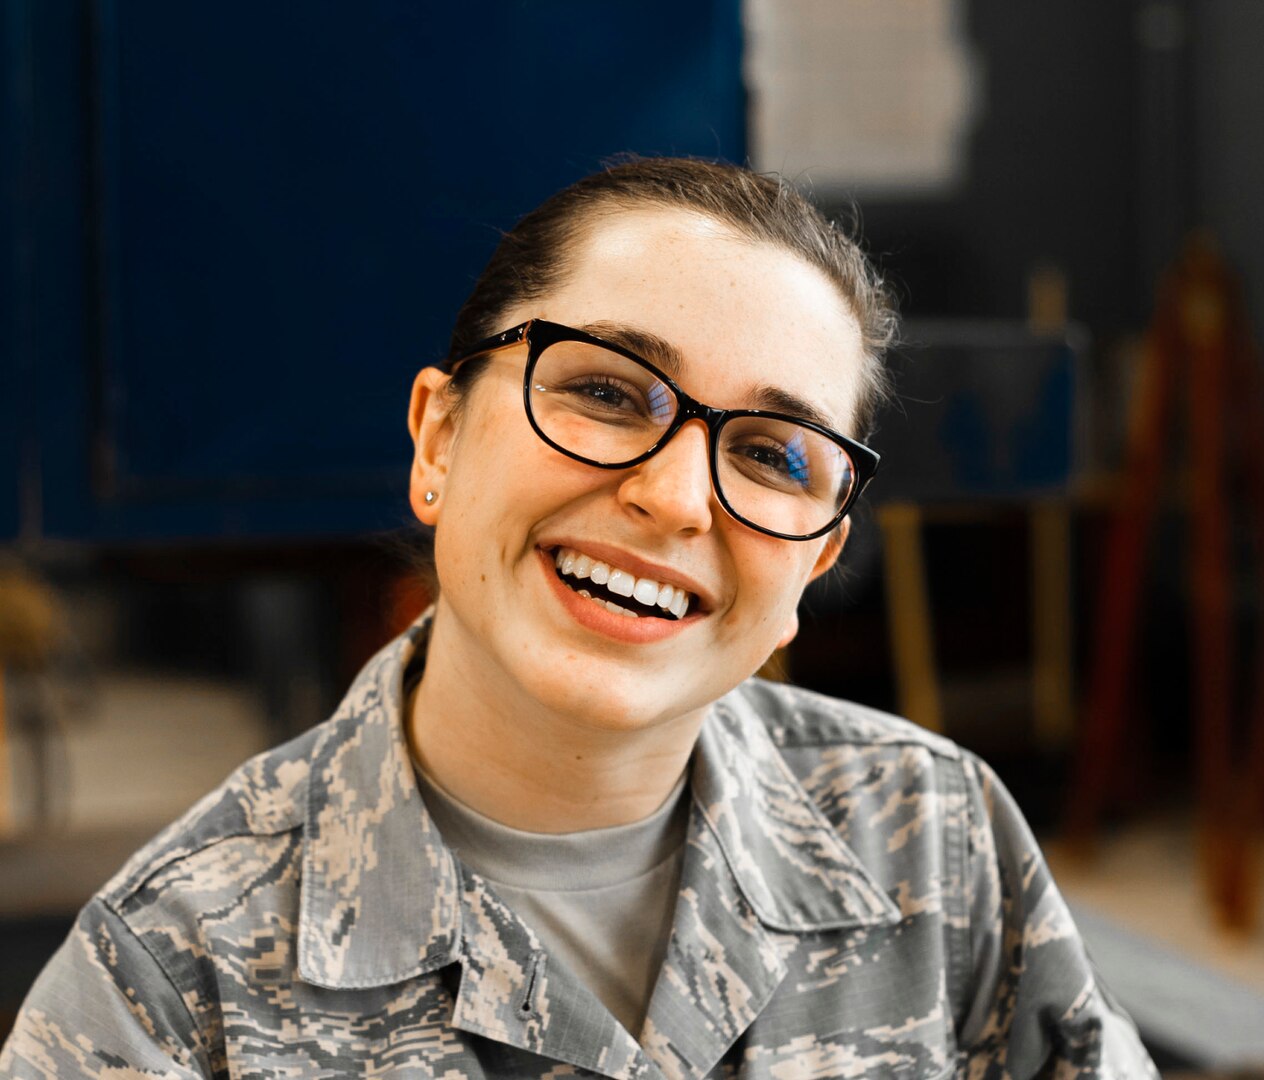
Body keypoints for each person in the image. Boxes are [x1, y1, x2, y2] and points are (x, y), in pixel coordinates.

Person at [1, 158, 1157, 1079]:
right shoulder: (169, 978)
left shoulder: (935, 841)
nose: (674, 495)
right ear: (439, 438)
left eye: (772, 454)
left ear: (819, 557)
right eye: (605, 391)